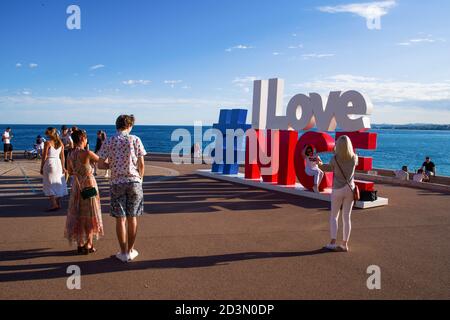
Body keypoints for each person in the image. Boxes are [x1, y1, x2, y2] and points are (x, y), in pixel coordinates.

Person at [98, 115, 147, 263]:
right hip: (134, 182)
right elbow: (141, 164)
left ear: (117, 125)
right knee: (133, 218)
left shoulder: (109, 140)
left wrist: (112, 166)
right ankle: (131, 250)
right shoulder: (135, 139)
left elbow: (100, 164)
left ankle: (123, 252)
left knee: (120, 219)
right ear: (130, 125)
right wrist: (140, 179)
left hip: (116, 183)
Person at [65, 129, 104, 254]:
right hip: (89, 186)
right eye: (86, 138)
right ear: (82, 139)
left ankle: (80, 244)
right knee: (90, 215)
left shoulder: (70, 154)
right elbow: (104, 163)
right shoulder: (87, 153)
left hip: (77, 186)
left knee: (79, 215)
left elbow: (69, 171)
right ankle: (89, 244)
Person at [325, 135, 358, 252]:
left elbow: (330, 168)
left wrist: (319, 163)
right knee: (346, 217)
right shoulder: (354, 158)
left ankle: (333, 242)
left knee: (334, 216)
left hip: (337, 189)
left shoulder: (334, 159)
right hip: (350, 189)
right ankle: (345, 244)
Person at [40, 127, 68, 211]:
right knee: (58, 183)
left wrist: (41, 167)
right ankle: (57, 203)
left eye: (47, 133)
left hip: (50, 163)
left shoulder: (47, 143)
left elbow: (44, 157)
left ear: (50, 134)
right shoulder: (61, 143)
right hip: (58, 163)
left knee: (49, 184)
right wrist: (63, 167)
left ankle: (54, 204)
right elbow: (63, 157)